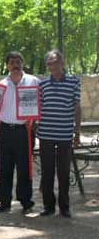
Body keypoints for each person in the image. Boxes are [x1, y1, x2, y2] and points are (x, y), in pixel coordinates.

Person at [0, 51, 40, 214]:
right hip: (5, 130)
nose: (15, 64)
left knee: (24, 168)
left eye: (18, 61)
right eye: (12, 62)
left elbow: (39, 104)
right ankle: (4, 202)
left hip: (24, 131)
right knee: (5, 168)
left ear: (23, 63)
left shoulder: (34, 81)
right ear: (7, 65)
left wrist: (34, 120)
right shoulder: (1, 84)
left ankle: (26, 201)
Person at [37, 50, 80, 218]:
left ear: (62, 62)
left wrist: (77, 131)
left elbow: (77, 107)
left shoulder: (74, 82)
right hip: (46, 134)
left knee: (63, 172)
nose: (50, 66)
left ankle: (64, 206)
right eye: (48, 63)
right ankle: (48, 206)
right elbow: (37, 108)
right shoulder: (42, 84)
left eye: (53, 62)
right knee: (47, 171)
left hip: (64, 134)